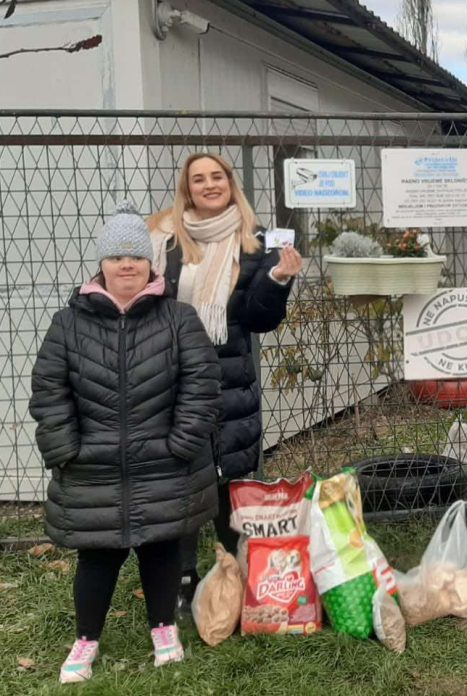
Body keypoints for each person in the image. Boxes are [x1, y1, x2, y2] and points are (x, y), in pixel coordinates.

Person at [30, 202, 222, 683]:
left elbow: (201, 385)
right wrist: (64, 450)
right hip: (91, 466)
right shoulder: (67, 324)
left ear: (148, 263)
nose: (127, 266)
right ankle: (86, 639)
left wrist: (182, 444)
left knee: (161, 552)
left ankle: (163, 629)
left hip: (165, 464)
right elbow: (49, 391)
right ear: (103, 263)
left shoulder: (179, 319)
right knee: (97, 558)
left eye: (135, 257)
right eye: (117, 257)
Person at [146, 152, 303, 610]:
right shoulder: (166, 238)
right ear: (187, 189)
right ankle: (182, 580)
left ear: (230, 184)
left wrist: (276, 279)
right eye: (199, 179)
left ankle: (235, 575)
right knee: (179, 476)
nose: (209, 184)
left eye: (217, 176)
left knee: (229, 477)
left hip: (227, 377)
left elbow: (258, 319)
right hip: (170, 375)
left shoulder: (253, 241)